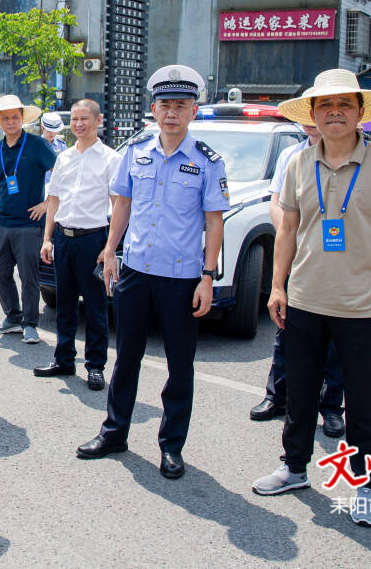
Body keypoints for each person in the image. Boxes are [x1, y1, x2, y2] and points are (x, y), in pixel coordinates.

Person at [251, 69, 371, 530]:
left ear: (361, 112)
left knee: (364, 401)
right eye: (325, 105)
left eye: (344, 104)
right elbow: (286, 230)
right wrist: (278, 286)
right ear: (314, 116)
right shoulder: (300, 163)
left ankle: (368, 487)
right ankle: (295, 468)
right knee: (298, 391)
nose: (335, 112)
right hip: (303, 301)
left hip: (362, 308)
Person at [77, 64, 227, 482]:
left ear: (194, 111)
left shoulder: (207, 161)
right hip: (137, 272)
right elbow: (121, 205)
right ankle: (114, 433)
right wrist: (110, 251)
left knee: (180, 366)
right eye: (165, 105)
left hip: (182, 279)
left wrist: (208, 276)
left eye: (181, 106)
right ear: (153, 109)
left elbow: (214, 222)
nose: (172, 113)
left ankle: (171, 447)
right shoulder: (135, 152)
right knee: (126, 358)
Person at [249, 116, 346, 440]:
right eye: (306, 116)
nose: (311, 123)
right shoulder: (291, 157)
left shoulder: (356, 158)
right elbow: (277, 202)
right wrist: (288, 232)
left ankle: (331, 408)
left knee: (335, 338)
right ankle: (277, 397)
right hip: (298, 255)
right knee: (286, 328)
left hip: (338, 259)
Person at [34, 99, 120, 392]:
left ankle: (95, 366)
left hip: (92, 240)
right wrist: (47, 238)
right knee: (65, 304)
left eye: (85, 119)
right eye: (75, 119)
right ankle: (64, 359)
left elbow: (117, 205)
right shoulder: (64, 157)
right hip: (63, 237)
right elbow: (54, 199)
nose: (79, 124)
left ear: (99, 121)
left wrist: (109, 248)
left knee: (96, 308)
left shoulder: (110, 159)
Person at [0, 94, 58, 344]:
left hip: (29, 224)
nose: (11, 121)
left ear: (22, 119)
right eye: (6, 118)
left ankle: (30, 324)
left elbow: (62, 174)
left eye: (15, 117)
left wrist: (47, 204)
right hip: (2, 222)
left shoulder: (37, 145)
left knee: (28, 276)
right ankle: (13, 316)